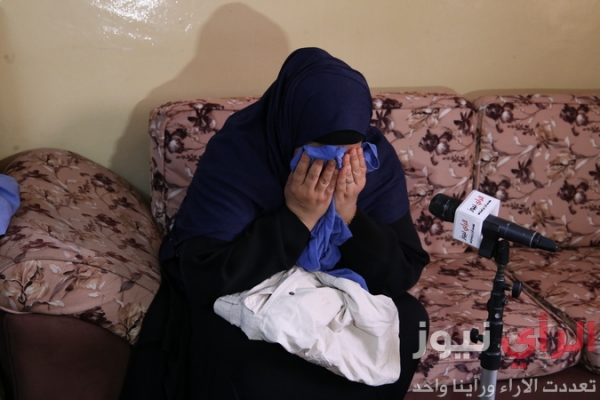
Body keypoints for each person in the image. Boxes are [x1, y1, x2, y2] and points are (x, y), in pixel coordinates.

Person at [120, 47, 430, 400]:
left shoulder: (375, 158)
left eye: (348, 152)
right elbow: (206, 274)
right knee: (238, 345)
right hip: (248, 283)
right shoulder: (241, 152)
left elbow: (403, 271)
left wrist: (349, 214)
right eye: (320, 151)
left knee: (411, 321)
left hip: (334, 287)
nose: (334, 166)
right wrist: (298, 216)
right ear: (291, 129)